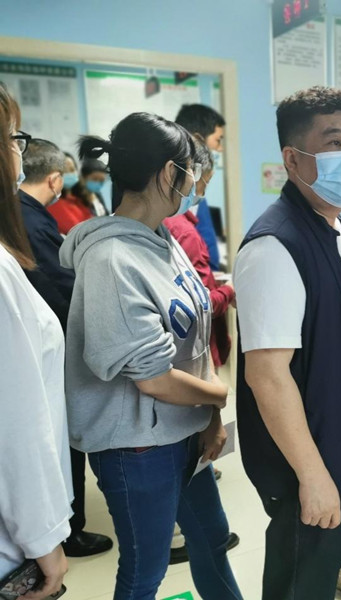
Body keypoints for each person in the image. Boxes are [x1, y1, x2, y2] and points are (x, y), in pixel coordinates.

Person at [60, 112, 242, 600]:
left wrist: (209, 420)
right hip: (137, 448)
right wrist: (220, 397)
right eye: (190, 169)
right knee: (146, 570)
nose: (195, 181)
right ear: (168, 173)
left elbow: (195, 336)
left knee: (212, 540)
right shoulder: (111, 260)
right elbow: (155, 378)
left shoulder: (163, 238)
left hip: (185, 429)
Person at [234, 86, 341, 600]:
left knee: (319, 582)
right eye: (334, 142)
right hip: (316, 463)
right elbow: (267, 375)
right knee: (299, 587)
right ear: (292, 159)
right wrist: (313, 475)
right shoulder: (275, 246)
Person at [18, 138, 114, 558]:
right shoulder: (32, 221)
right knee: (62, 440)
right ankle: (70, 531)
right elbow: (61, 287)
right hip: (51, 343)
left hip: (37, 344)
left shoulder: (24, 214)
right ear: (56, 179)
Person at [0, 81, 71, 600]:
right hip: (12, 546)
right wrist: (45, 540)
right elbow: (16, 424)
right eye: (11, 138)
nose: (16, 152)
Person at [164, 136, 235, 369]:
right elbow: (202, 305)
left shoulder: (166, 223)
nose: (203, 191)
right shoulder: (185, 233)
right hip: (195, 353)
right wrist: (230, 290)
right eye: (206, 181)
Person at [175, 103, 226, 270]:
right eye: (218, 140)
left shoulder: (196, 194)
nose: (220, 149)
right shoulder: (175, 200)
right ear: (198, 139)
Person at [48, 151, 93, 235]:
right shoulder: (54, 203)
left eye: (72, 170)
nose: (69, 174)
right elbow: (76, 230)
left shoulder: (77, 199)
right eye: (64, 171)